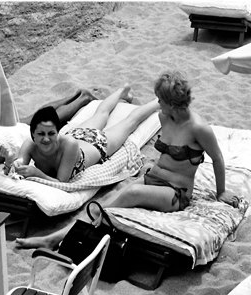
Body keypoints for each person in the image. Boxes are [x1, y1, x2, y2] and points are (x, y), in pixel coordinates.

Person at [16, 71, 238, 249]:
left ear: (172, 103)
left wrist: (221, 192)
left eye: (160, 99)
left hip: (176, 193)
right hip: (152, 179)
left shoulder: (198, 128)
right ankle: (59, 236)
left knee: (126, 196)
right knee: (103, 207)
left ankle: (55, 238)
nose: (157, 103)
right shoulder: (164, 116)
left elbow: (217, 158)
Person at [7, 84, 158, 182]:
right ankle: (121, 92)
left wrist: (36, 173)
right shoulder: (29, 144)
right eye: (41, 134)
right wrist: (9, 161)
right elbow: (18, 166)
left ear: (57, 132)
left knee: (129, 122)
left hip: (96, 144)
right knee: (100, 114)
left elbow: (62, 182)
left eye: (51, 134)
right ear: (33, 134)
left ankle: (158, 102)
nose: (46, 139)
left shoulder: (69, 144)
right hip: (77, 134)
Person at [0, 88, 98, 178]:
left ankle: (82, 99)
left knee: (41, 124)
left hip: (9, 141)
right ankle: (78, 96)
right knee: (31, 119)